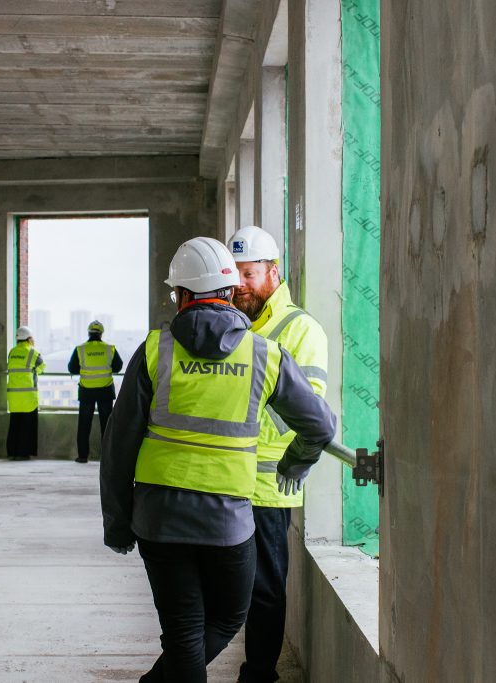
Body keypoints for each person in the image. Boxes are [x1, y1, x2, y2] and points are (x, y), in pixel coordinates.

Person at [99, 237, 336, 682]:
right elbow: (320, 426)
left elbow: (117, 448)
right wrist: (294, 464)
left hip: (159, 518)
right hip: (227, 521)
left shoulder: (155, 350)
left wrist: (117, 523)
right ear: (229, 293)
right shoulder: (264, 354)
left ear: (183, 296)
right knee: (226, 619)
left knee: (184, 630)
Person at [227, 225, 330, 683]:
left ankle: (259, 674)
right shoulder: (234, 325)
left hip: (269, 486)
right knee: (228, 588)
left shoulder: (298, 329)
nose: (240, 287)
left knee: (265, 590)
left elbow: (306, 412)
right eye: (234, 278)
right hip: (226, 481)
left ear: (273, 273)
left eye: (249, 276)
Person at [68, 320, 123, 463]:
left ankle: (82, 456)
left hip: (87, 391)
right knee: (107, 425)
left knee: (84, 425)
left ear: (89, 333)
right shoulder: (109, 349)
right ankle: (107, 456)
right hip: (105, 391)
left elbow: (72, 368)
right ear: (101, 334)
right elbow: (118, 366)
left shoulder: (80, 349)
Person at [5, 326, 43, 461]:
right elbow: (41, 367)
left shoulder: (12, 352)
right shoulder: (33, 353)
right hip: (28, 396)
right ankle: (23, 453)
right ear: (29, 338)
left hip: (14, 396)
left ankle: (12, 452)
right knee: (28, 426)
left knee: (15, 424)